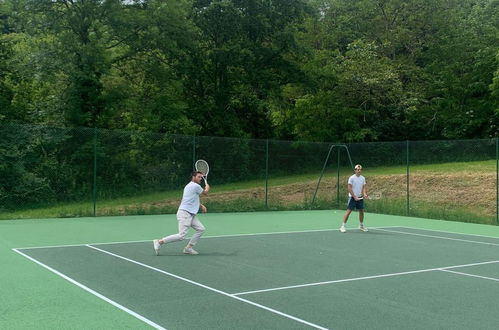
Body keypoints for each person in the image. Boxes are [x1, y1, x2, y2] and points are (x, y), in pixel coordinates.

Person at [153, 171, 210, 255]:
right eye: (199, 177)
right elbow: (205, 193)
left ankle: (188, 248)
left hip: (190, 214)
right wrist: (207, 187)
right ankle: (159, 242)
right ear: (193, 177)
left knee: (201, 229)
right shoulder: (195, 186)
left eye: (201, 177)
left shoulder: (189, 186)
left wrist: (201, 206)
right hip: (185, 213)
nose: (201, 178)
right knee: (181, 236)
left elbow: (191, 199)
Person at [340, 164, 368, 233]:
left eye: (360, 169)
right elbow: (349, 188)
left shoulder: (363, 178)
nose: (359, 171)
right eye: (358, 169)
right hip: (352, 197)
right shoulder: (351, 178)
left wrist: (364, 193)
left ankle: (361, 226)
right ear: (355, 170)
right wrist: (354, 196)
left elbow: (364, 187)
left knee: (361, 211)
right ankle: (342, 226)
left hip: (360, 197)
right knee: (349, 211)